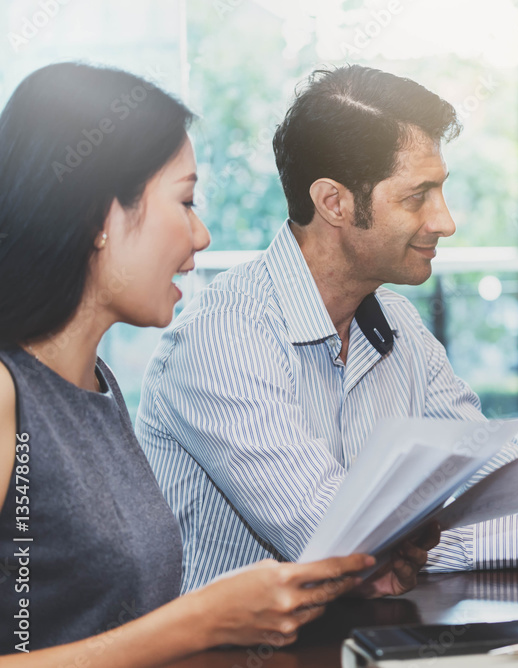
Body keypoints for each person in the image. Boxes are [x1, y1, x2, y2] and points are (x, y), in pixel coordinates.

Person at [135, 64, 518, 592]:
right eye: (418, 196)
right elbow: (336, 544)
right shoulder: (223, 338)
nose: (445, 221)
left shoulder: (396, 325)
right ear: (334, 203)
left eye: (441, 191)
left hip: (362, 637)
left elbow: (496, 476)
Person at [0, 63, 433, 662]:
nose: (200, 236)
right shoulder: (7, 395)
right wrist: (202, 619)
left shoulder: (97, 387)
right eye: (184, 201)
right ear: (99, 217)